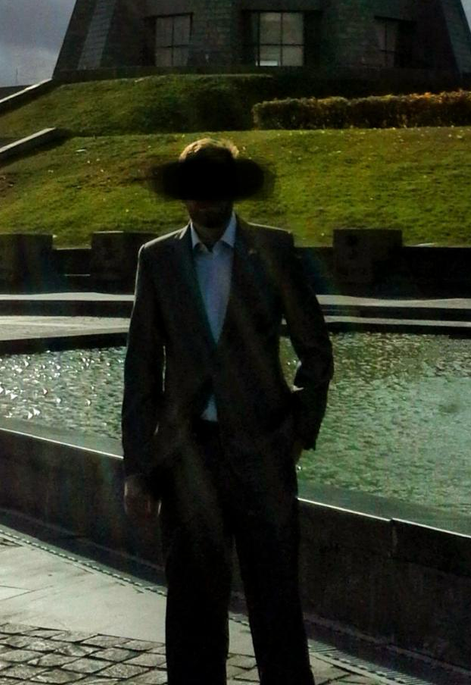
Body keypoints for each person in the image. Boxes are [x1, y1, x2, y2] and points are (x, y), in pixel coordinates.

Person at [122, 137, 333, 685]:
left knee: (277, 611)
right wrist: (139, 468)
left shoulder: (275, 252)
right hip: (188, 462)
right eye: (195, 193)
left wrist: (299, 431)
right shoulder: (158, 260)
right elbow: (141, 371)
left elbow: (316, 350)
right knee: (193, 616)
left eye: (215, 192)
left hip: (263, 455)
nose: (205, 203)